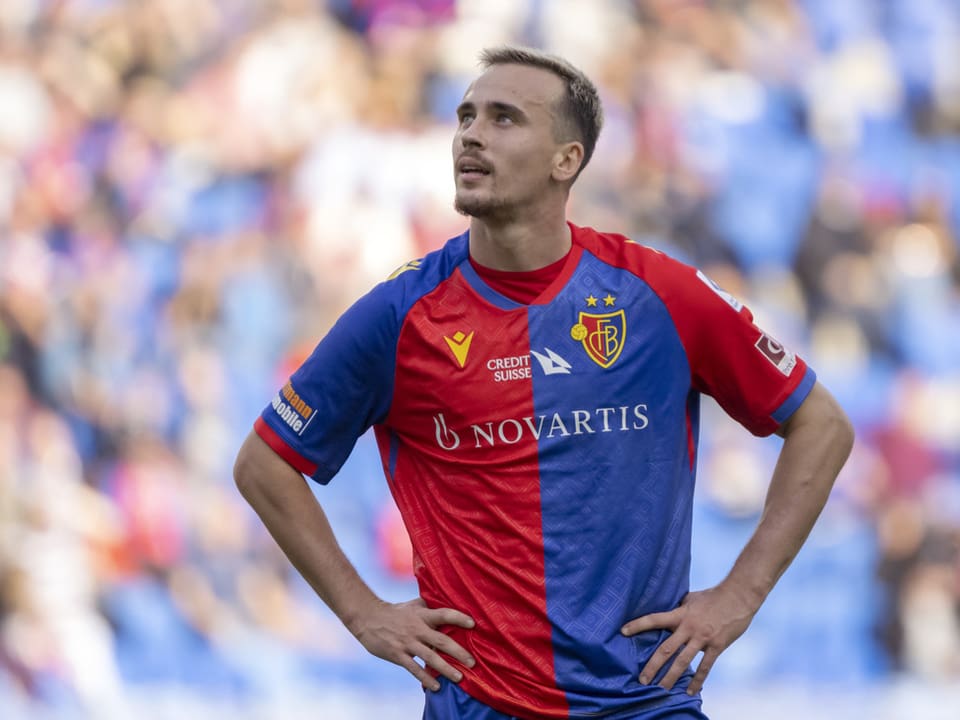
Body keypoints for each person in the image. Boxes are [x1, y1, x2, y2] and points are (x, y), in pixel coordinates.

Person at [234, 46, 855, 720]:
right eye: (466, 115)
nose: (471, 133)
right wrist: (362, 613)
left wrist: (740, 595)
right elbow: (264, 462)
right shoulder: (399, 314)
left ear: (568, 159)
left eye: (504, 119)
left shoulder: (655, 295)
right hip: (482, 705)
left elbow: (821, 425)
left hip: (646, 702)